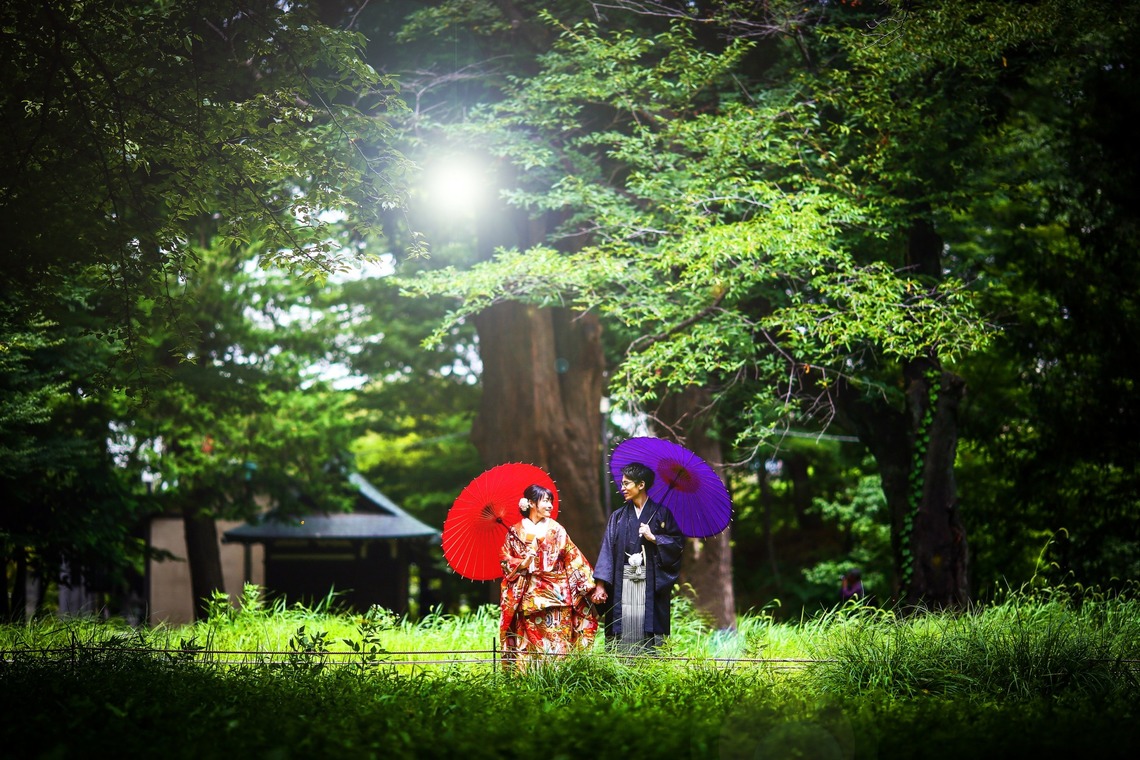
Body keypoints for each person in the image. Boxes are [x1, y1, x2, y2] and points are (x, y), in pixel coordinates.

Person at [499, 484, 598, 668]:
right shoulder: (514, 532)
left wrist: (590, 586)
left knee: (558, 641)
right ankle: (528, 684)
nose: (550, 505)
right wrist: (522, 563)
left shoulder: (557, 530)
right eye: (545, 501)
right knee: (528, 644)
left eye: (550, 501)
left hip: (558, 597)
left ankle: (558, 681)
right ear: (530, 503)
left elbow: (573, 558)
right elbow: (505, 560)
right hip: (528, 598)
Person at [590, 462, 683, 651]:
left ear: (641, 485)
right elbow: (607, 548)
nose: (622, 488)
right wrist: (600, 585)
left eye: (626, 484)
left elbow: (677, 545)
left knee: (648, 633)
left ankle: (649, 670)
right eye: (622, 484)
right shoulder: (618, 517)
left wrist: (654, 538)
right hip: (622, 583)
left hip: (649, 582)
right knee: (622, 629)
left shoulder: (662, 514)